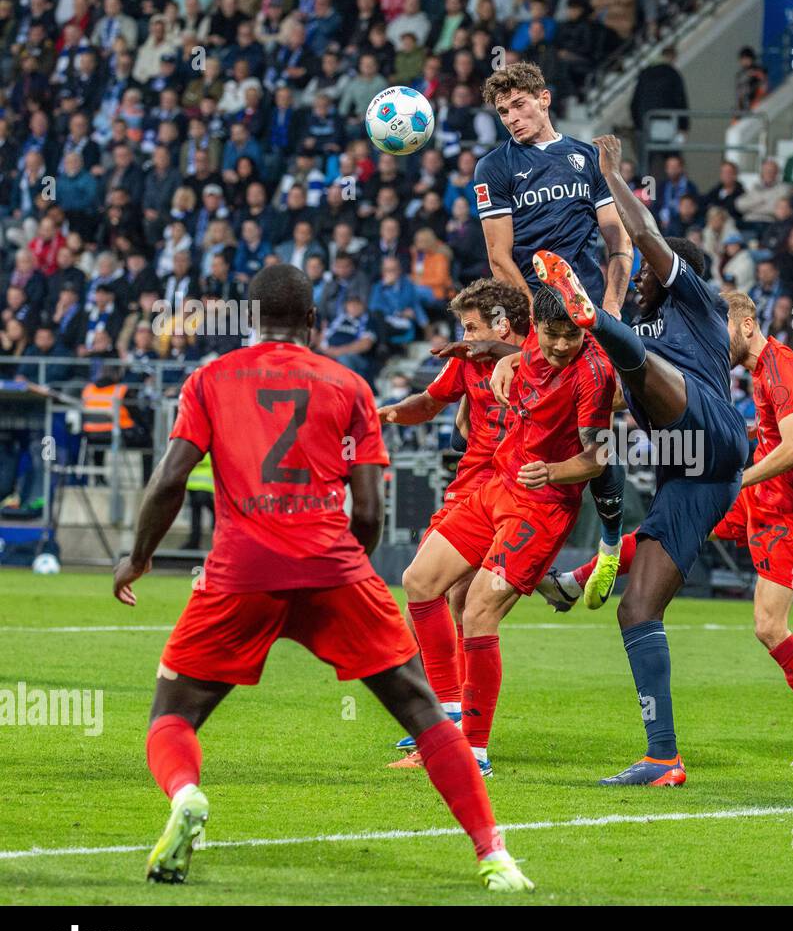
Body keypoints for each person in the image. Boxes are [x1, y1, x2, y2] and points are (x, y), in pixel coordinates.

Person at [111, 265, 532, 892]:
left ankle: (186, 796)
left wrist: (139, 556)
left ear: (250, 320)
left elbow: (170, 480)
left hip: (240, 572)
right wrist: (351, 572)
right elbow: (368, 509)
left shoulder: (209, 380)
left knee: (172, 716)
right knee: (422, 713)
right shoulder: (348, 384)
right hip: (332, 565)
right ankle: (493, 854)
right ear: (313, 322)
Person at [517, 132, 749, 787]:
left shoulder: (696, 302)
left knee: (640, 363)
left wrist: (606, 173)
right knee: (636, 610)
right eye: (642, 276)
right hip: (692, 474)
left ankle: (593, 320)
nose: (642, 279)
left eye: (648, 274)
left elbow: (644, 233)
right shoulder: (644, 332)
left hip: (715, 432)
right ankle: (662, 757)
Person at [540, 292, 793, 766]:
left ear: (746, 325)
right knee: (667, 529)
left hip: (788, 512)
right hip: (763, 500)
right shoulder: (772, 370)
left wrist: (734, 478)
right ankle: (574, 581)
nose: (710, 338)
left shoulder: (781, 368)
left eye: (718, 328)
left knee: (769, 626)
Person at [395, 283, 614, 773]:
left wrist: (555, 471)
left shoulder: (593, 373)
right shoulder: (533, 343)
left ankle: (471, 752)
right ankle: (447, 711)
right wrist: (503, 358)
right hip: (498, 484)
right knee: (418, 582)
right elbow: (511, 343)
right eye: (552, 335)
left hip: (543, 504)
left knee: (476, 611)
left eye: (570, 337)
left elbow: (599, 456)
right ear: (536, 329)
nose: (559, 346)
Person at [473, 61, 633, 607]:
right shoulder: (494, 168)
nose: (512, 118)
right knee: (517, 435)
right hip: (544, 325)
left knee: (599, 433)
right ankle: (534, 566)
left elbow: (617, 237)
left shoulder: (587, 158)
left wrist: (609, 311)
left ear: (544, 99)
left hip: (595, 316)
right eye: (502, 112)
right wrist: (534, 330)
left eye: (519, 105)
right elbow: (499, 257)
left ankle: (609, 548)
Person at [376, 279, 529, 769]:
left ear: (502, 325)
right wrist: (388, 413)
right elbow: (429, 402)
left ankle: (450, 726)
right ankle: (452, 715)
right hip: (470, 487)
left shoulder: (542, 356)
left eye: (471, 326)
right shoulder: (466, 362)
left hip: (516, 491)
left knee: (450, 594)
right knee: (439, 590)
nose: (464, 336)